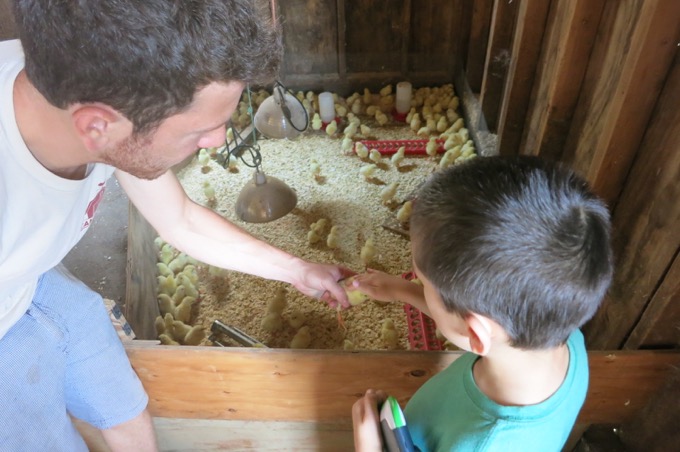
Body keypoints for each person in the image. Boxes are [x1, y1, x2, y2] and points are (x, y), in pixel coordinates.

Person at [0, 1, 351, 450]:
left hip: (33, 278)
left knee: (122, 403)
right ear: (98, 127)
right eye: (198, 132)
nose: (220, 140)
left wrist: (298, 270)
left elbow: (179, 219)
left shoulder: (84, 88)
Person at [351, 156, 613, 451]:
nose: (419, 286)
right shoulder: (561, 339)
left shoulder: (485, 443)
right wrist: (405, 292)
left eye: (424, 285)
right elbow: (474, 327)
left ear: (475, 334)